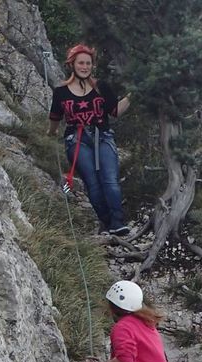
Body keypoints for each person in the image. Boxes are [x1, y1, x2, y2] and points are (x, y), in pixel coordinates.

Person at [47, 43, 131, 236]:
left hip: (103, 136)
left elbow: (115, 111)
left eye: (88, 63)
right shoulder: (61, 92)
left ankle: (118, 222)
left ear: (92, 65)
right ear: (72, 65)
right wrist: (50, 134)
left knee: (110, 180)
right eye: (80, 63)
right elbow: (55, 118)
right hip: (76, 140)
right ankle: (107, 222)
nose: (84, 67)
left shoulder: (101, 87)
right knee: (92, 183)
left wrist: (133, 95)